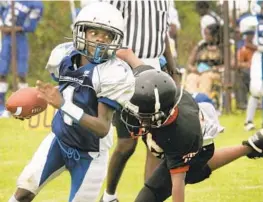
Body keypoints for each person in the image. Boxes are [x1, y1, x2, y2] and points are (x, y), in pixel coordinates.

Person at [8, 3, 136, 202]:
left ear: (115, 40)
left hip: (90, 155)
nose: (101, 40)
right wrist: (36, 101)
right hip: (59, 141)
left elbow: (102, 127)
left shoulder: (113, 72)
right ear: (81, 32)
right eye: (94, 33)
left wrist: (63, 105)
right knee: (23, 192)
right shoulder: (63, 56)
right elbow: (62, 90)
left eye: (107, 36)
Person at [120, 68, 263, 202]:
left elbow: (178, 183)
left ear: (161, 114)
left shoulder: (180, 134)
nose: (137, 118)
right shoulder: (162, 95)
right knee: (192, 172)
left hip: (199, 142)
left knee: (151, 193)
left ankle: (252, 146)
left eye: (143, 115)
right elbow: (133, 58)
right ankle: (254, 145)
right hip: (190, 119)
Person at [99, 1, 179, 201]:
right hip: (126, 69)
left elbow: (163, 34)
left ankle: (148, 198)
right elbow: (104, 24)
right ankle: (109, 196)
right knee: (127, 143)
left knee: (156, 143)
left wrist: (173, 68)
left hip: (156, 71)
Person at [0, 0, 44, 117]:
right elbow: (2, 10)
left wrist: (15, 29)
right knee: (2, 72)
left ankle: (22, 105)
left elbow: (31, 26)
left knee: (21, 73)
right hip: (6, 38)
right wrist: (2, 26)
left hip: (20, 38)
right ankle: (1, 107)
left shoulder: (35, 4)